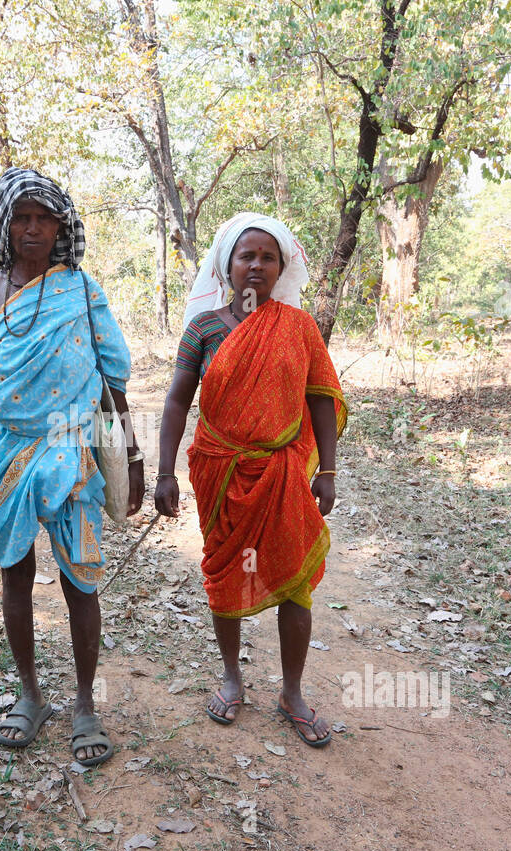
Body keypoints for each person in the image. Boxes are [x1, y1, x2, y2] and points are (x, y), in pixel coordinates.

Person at [0, 168, 145, 768]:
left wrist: (132, 458)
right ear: (7, 224)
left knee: (81, 579)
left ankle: (86, 703)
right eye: (22, 217)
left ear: (61, 226)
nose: (32, 228)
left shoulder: (83, 292)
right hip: (4, 450)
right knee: (15, 573)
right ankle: (29, 694)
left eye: (43, 218)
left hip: (73, 450)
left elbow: (113, 384)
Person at [154, 212, 346, 747]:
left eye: (267, 257)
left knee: (294, 578)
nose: (256, 266)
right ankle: (233, 678)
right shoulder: (204, 328)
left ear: (281, 266)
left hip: (284, 472)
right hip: (221, 470)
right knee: (225, 574)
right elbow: (175, 400)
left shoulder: (299, 327)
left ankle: (292, 692)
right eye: (247, 256)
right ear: (227, 265)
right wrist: (164, 472)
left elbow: (320, 399)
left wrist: (326, 469)